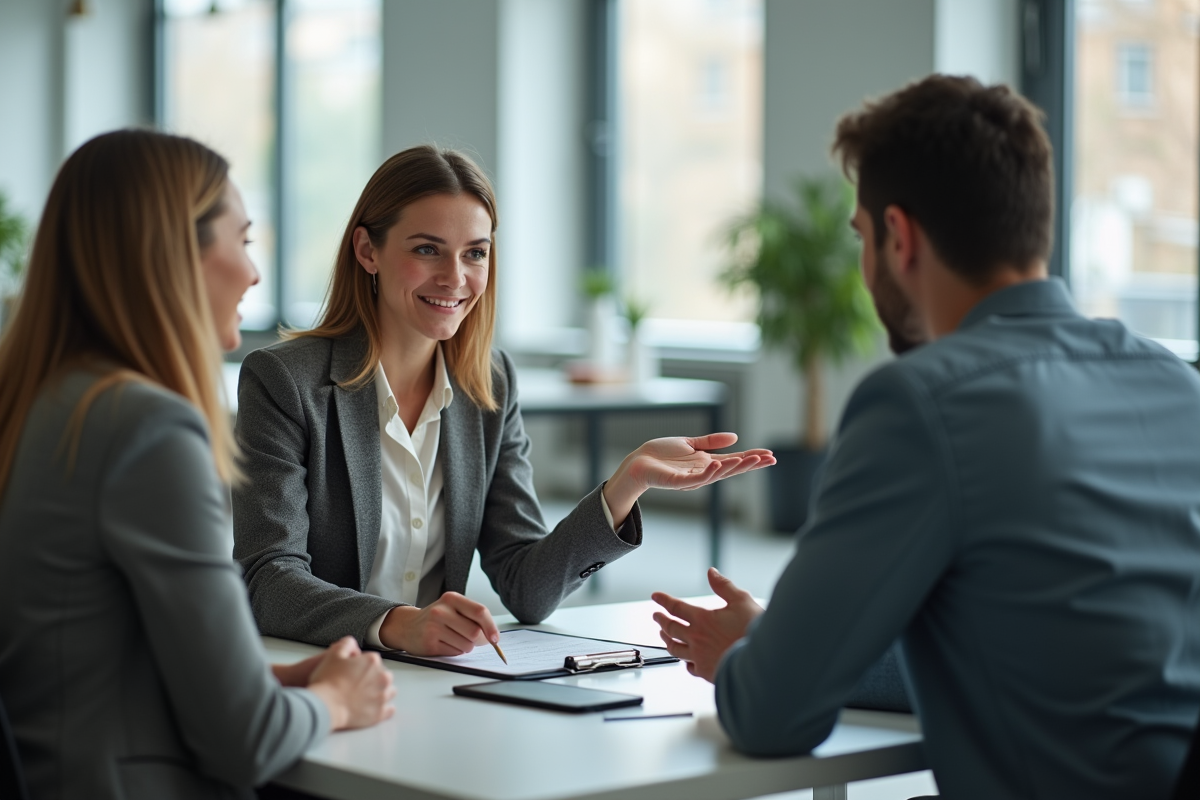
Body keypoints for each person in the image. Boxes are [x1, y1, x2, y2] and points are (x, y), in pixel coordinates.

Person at [652, 75, 1200, 798]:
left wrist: (756, 656)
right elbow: (1055, 657)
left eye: (862, 237)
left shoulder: (921, 403)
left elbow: (772, 715)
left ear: (899, 237)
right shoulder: (1174, 383)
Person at [232, 145, 773, 656]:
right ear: (367, 251)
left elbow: (527, 588)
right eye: (427, 249)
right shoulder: (285, 381)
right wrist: (401, 623)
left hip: (435, 676)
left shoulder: (488, 386)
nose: (455, 278)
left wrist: (625, 484)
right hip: (324, 672)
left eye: (475, 253)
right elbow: (269, 580)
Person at [0, 130, 395, 800]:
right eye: (242, 240)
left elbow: (91, 656)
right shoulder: (146, 428)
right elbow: (245, 740)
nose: (254, 273)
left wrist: (265, 681)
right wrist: (335, 701)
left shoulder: (41, 403)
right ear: (173, 256)